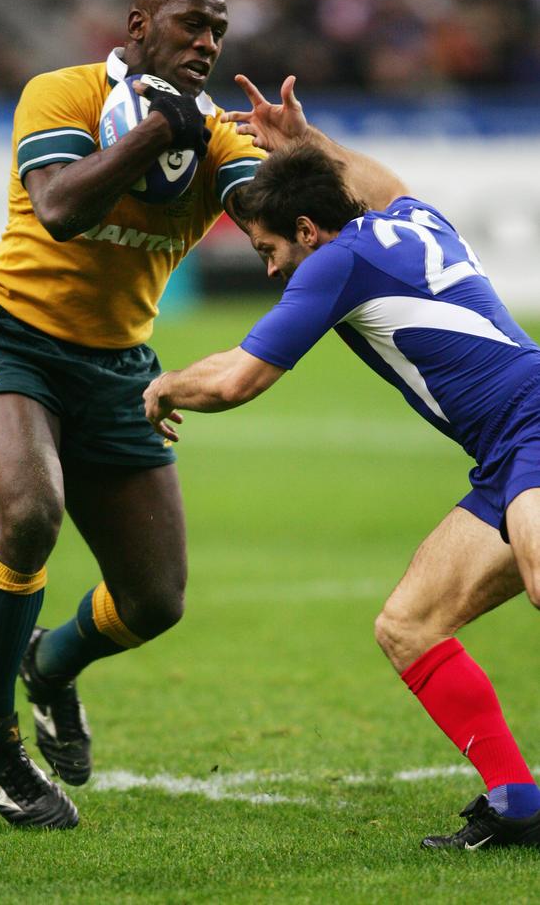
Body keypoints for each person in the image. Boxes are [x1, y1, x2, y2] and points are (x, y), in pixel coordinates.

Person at [144, 74, 540, 850]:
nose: (268, 269)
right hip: (507, 451)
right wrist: (307, 141)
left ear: (306, 229)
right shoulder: (408, 218)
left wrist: (162, 385)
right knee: (409, 626)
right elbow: (374, 182)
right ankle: (519, 802)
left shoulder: (334, 263)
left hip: (535, 426)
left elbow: (236, 380)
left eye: (267, 250)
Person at [0, 0, 265, 829]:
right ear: (138, 22)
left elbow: (269, 216)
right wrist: (159, 130)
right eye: (191, 25)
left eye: (218, 32)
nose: (206, 43)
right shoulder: (64, 93)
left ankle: (49, 668)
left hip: (122, 370)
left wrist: (293, 162)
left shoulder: (218, 136)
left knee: (156, 601)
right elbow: (57, 207)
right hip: (10, 340)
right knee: (30, 514)